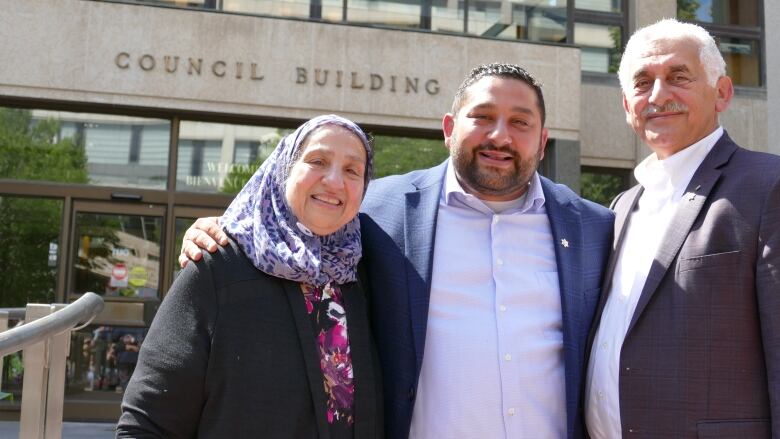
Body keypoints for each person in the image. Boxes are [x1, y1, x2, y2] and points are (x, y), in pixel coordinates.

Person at [180, 63, 614, 438]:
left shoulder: (593, 228)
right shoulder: (375, 211)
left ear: (542, 140)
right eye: (482, 116)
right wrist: (228, 235)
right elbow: (297, 236)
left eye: (520, 122)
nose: (500, 135)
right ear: (449, 129)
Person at [117, 115, 383, 438]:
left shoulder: (368, 273)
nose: (334, 181)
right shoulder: (219, 266)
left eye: (352, 170)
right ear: (284, 168)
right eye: (318, 160)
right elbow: (147, 424)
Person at [585, 19, 780, 438]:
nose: (658, 95)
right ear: (625, 105)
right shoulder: (620, 209)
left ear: (722, 92)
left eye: (678, 77)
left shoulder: (768, 187)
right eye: (642, 83)